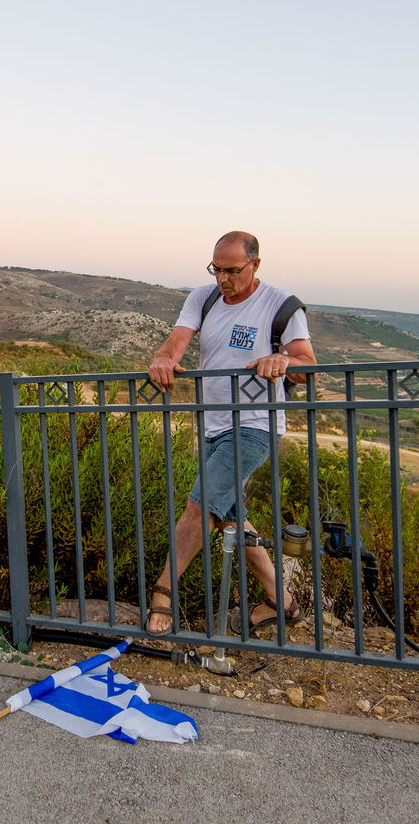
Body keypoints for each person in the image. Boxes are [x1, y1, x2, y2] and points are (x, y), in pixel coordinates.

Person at [144, 230, 315, 635]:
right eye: (216, 269)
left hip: (255, 424)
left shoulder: (281, 305)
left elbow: (307, 364)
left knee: (201, 505)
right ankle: (282, 602)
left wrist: (282, 360)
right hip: (212, 424)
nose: (223, 279)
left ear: (255, 264)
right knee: (229, 518)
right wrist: (163, 359)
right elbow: (176, 342)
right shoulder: (202, 298)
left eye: (232, 271)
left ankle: (163, 594)